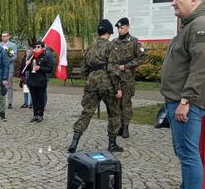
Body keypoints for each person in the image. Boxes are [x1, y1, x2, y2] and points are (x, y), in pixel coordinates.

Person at [157, 0, 205, 189]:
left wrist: (186, 100)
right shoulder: (192, 25)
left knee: (189, 153)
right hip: (179, 99)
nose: (173, 2)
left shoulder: (201, 26)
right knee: (183, 151)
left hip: (186, 102)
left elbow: (201, 67)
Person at [67, 19, 123, 153]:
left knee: (87, 112)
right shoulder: (111, 47)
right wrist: (118, 88)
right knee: (114, 113)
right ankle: (112, 144)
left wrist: (90, 78)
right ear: (109, 32)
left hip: (91, 82)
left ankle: (74, 142)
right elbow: (114, 69)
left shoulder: (90, 46)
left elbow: (83, 69)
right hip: (107, 82)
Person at [113, 17, 146, 138]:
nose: (120, 30)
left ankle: (126, 127)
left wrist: (126, 66)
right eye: (118, 28)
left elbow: (142, 58)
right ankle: (119, 126)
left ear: (127, 27)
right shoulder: (114, 42)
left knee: (126, 104)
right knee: (116, 104)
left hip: (127, 78)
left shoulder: (134, 42)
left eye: (122, 28)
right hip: (116, 78)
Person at [25, 41, 54, 122]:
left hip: (41, 81)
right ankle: (35, 114)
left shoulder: (46, 56)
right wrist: (26, 64)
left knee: (41, 99)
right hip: (32, 81)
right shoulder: (31, 56)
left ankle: (40, 115)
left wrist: (40, 68)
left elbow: (50, 69)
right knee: (34, 99)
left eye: (39, 47)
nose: (37, 48)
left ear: (43, 48)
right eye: (36, 47)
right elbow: (26, 69)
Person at [0, 31, 18, 109]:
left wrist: (7, 60)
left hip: (9, 67)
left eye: (5, 36)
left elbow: (14, 56)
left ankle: (10, 102)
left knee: (9, 85)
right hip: (0, 68)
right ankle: (1, 102)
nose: (4, 37)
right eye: (3, 36)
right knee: (0, 85)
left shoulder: (13, 45)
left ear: (8, 36)